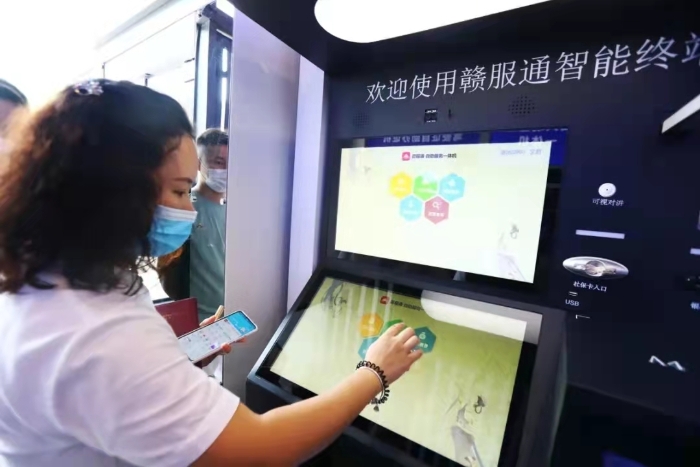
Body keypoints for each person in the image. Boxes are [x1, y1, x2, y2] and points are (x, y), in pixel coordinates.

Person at [0, 79, 422, 466]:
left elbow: (107, 393)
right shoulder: (100, 334)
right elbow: (261, 451)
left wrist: (179, 355)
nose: (188, 208)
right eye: (179, 190)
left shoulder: (47, 280)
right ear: (115, 191)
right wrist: (374, 372)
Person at [190, 128, 228, 323]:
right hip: (198, 321)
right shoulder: (185, 208)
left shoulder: (239, 212)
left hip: (234, 316)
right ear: (198, 163)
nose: (227, 169)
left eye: (231, 162)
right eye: (219, 162)